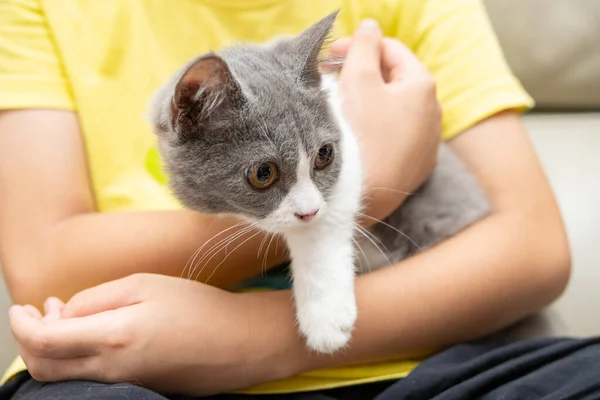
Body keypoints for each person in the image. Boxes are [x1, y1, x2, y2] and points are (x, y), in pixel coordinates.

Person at [0, 0, 573, 398]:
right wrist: (391, 162)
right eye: (263, 175)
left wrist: (253, 338)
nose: (308, 206)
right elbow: (40, 269)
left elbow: (536, 251)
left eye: (324, 161)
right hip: (143, 366)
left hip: (430, 353)